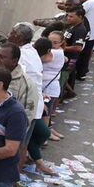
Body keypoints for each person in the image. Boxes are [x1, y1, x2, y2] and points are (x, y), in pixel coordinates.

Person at [26, 38, 57, 175]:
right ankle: (38, 161)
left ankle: (35, 158)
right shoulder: (31, 60)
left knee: (42, 133)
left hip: (36, 104)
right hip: (29, 106)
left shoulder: (35, 60)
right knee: (43, 132)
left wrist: (41, 101)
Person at [42, 31, 67, 142]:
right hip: (50, 87)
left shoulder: (54, 53)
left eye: (55, 42)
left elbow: (41, 57)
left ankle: (44, 135)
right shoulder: (58, 51)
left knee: (45, 113)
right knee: (47, 112)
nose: (52, 45)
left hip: (48, 89)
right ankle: (48, 131)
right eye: (49, 41)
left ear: (61, 43)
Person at [76, 0, 94, 81]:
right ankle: (83, 72)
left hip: (87, 32)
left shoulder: (88, 3)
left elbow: (79, 13)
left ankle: (80, 73)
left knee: (82, 54)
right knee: (87, 54)